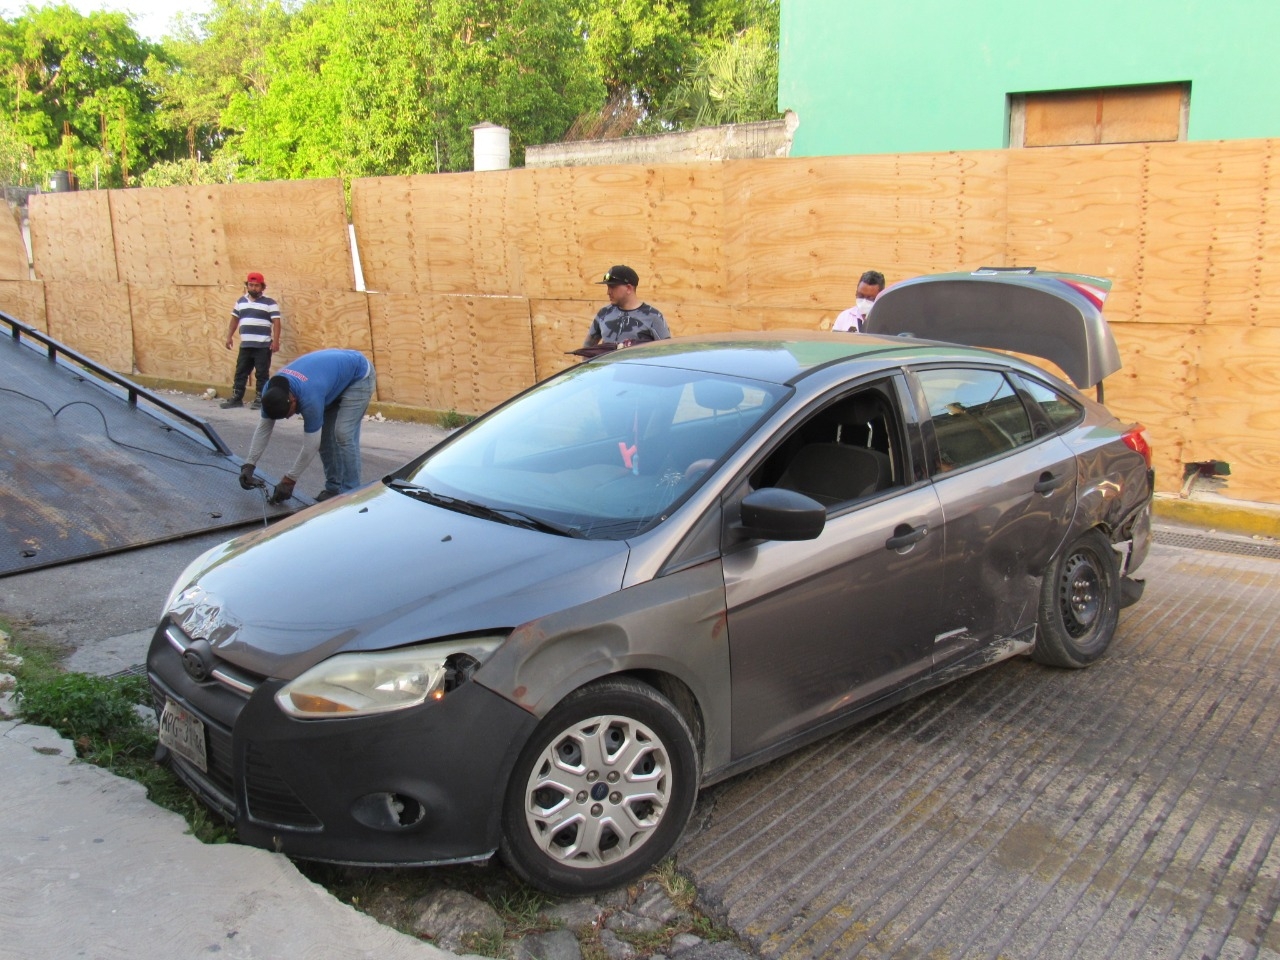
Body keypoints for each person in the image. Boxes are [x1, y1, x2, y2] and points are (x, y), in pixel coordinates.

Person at [237, 348, 376, 504]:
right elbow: (263, 429)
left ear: (294, 400)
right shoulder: (270, 392)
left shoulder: (309, 398)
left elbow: (311, 445)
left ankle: (352, 495)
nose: (288, 417)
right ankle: (333, 489)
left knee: (343, 434)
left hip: (358, 375)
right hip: (330, 379)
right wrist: (249, 465)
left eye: (288, 413)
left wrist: (290, 480)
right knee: (324, 438)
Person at [221, 271, 281, 409]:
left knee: (261, 372)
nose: (253, 288)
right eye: (251, 285)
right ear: (247, 285)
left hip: (263, 345)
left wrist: (276, 341)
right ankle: (236, 398)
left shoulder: (270, 303)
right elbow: (234, 320)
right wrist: (229, 337)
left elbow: (277, 322)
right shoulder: (241, 302)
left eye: (257, 285)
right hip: (246, 344)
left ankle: (260, 399)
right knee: (241, 371)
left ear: (262, 287)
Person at [582, 265, 671, 348]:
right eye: (608, 287)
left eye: (612, 287)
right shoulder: (603, 314)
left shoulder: (653, 317)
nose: (608, 292)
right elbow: (587, 349)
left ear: (628, 288)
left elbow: (667, 352)